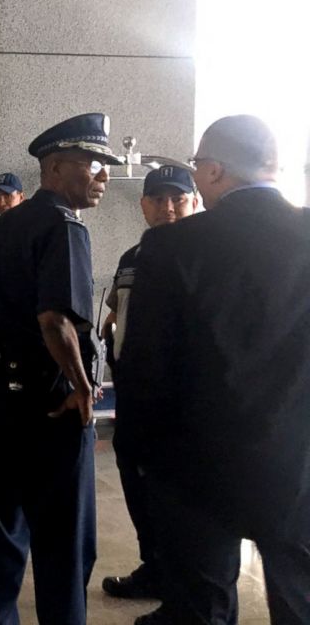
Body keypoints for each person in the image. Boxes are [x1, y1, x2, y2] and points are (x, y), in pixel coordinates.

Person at [120, 115, 310, 625]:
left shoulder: (171, 246)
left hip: (197, 466)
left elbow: (146, 367)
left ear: (216, 171)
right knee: (301, 599)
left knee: (202, 607)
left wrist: (137, 453)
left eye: (198, 163)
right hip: (300, 461)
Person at [0, 112, 119, 623]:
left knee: (3, 519)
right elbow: (55, 322)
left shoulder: (2, 226)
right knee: (65, 537)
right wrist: (81, 388)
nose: (103, 176)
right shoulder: (64, 226)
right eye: (94, 163)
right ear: (54, 167)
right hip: (45, 403)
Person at [100, 165, 198, 602]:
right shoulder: (132, 258)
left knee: (182, 495)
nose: (169, 207)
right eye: (159, 199)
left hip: (185, 402)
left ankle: (185, 580)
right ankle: (155, 567)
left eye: (178, 198)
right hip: (135, 397)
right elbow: (118, 311)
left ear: (194, 202)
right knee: (138, 484)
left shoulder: (208, 254)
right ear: (144, 206)